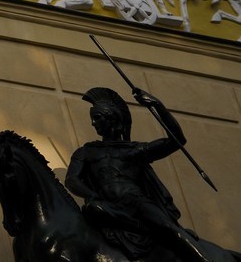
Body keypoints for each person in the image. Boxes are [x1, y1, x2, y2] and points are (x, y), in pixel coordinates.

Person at [65, 86, 209, 262]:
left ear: (111, 118)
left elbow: (177, 140)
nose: (93, 123)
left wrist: (158, 105)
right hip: (106, 206)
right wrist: (92, 196)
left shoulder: (133, 150)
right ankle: (144, 228)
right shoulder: (86, 152)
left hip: (135, 202)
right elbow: (71, 180)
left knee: (169, 228)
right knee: (94, 209)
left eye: (97, 118)